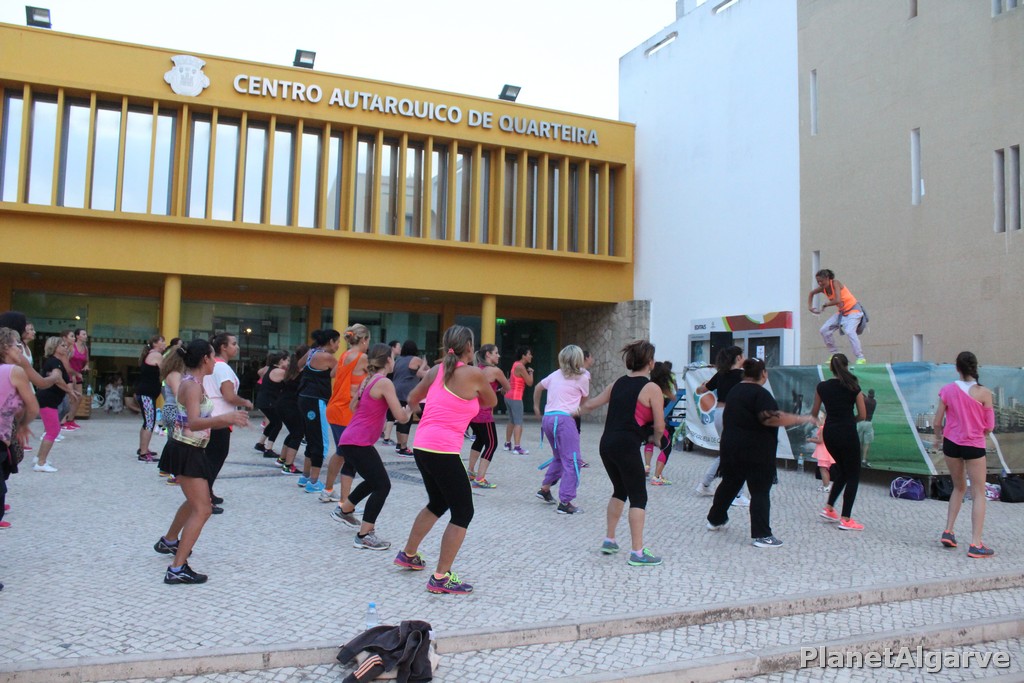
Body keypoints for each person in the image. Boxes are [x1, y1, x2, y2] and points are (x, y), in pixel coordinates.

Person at [393, 325, 497, 595]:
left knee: (438, 502)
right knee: (463, 512)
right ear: (469, 347)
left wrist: (426, 417)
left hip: (422, 445)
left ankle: (408, 554)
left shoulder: (435, 371)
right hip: (443, 450)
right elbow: (491, 401)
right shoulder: (474, 374)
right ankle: (441, 577)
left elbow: (413, 398)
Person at [154, 340, 249, 584]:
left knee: (195, 501)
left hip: (189, 448)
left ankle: (170, 541)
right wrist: (226, 418)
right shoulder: (192, 386)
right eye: (212, 357)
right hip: (187, 450)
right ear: (205, 359)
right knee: (203, 508)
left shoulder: (193, 382)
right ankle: (177, 569)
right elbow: (194, 422)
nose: (215, 362)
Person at [707, 358, 817, 548]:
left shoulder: (735, 391)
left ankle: (714, 519)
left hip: (731, 446)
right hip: (756, 450)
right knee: (759, 490)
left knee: (730, 483)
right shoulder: (761, 394)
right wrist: (801, 418)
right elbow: (770, 418)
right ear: (764, 374)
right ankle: (762, 535)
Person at [580, 340, 664, 565]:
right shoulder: (652, 388)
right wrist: (657, 440)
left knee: (620, 490)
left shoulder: (617, 383)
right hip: (626, 446)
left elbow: (591, 405)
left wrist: (570, 411)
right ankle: (637, 553)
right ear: (650, 362)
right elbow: (659, 425)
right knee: (639, 497)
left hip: (606, 444)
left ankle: (609, 540)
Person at [331, 343, 412, 550]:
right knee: (382, 485)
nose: (395, 361)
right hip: (358, 442)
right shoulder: (384, 382)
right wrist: (410, 409)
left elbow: (353, 407)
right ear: (387, 360)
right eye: (393, 357)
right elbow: (400, 416)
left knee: (373, 480)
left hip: (353, 440)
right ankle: (364, 535)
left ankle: (345, 510)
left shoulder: (369, 380)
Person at [933, 352, 996, 558]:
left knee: (958, 487)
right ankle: (976, 543)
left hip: (951, 443)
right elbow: (990, 426)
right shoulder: (984, 393)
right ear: (975, 367)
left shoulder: (947, 390)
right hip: (973, 444)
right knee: (978, 493)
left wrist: (938, 439)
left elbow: (937, 422)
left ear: (957, 368)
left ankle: (948, 531)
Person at [810, 353, 867, 531]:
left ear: (831, 368)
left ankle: (829, 508)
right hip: (847, 431)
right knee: (853, 474)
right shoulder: (853, 387)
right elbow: (863, 415)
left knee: (842, 470)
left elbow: (814, 413)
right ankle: (846, 519)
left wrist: (826, 423)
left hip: (830, 432)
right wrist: (850, 420)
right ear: (846, 366)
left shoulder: (822, 387)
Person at [534, 345, 590, 510]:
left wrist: (536, 407)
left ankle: (545, 489)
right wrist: (576, 410)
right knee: (573, 461)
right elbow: (584, 401)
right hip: (564, 419)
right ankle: (565, 502)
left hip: (548, 418)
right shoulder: (583, 378)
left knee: (559, 456)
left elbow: (538, 387)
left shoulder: (555, 374)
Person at [203, 333, 253, 512]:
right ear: (223, 347)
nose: (237, 347)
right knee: (215, 458)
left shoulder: (212, 365)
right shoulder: (222, 368)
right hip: (220, 418)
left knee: (211, 457)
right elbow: (229, 396)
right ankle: (205, 498)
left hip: (211, 416)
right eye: (233, 343)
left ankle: (208, 492)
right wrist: (245, 402)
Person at [694, 346, 750, 507]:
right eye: (743, 355)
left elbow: (701, 389)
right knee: (738, 454)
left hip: (718, 414)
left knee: (727, 452)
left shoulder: (721, 374)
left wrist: (701, 386)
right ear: (738, 358)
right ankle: (737, 494)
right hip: (733, 414)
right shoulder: (742, 375)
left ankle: (705, 484)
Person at [321, 325, 367, 500]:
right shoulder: (362, 358)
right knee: (349, 455)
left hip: (336, 408)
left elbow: (333, 373)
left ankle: (328, 490)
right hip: (345, 411)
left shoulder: (344, 355)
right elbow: (378, 375)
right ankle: (345, 503)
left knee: (341, 453)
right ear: (364, 340)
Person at [0, 327, 40, 529]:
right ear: (5, 347)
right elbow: (33, 408)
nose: (20, 349)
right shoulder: (15, 372)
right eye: (17, 345)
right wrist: (23, 425)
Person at [298, 329, 341, 495]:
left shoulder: (312, 352)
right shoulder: (326, 357)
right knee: (321, 442)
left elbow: (299, 365)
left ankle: (305, 476)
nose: (338, 346)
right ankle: (314, 482)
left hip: (304, 398)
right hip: (316, 400)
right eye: (337, 342)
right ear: (331, 341)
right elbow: (342, 371)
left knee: (311, 438)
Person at [467, 344, 511, 488]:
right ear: (488, 354)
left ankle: (470, 471)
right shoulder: (495, 371)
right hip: (484, 414)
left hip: (472, 413)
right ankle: (480, 478)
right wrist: (503, 387)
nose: (499, 356)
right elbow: (508, 387)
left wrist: (496, 389)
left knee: (479, 440)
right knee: (492, 444)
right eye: (496, 353)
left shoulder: (476, 369)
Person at [33, 336, 77, 472]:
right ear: (55, 348)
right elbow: (57, 379)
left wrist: (70, 391)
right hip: (48, 399)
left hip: (49, 399)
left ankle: (38, 458)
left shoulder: (55, 362)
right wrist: (70, 391)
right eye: (62, 345)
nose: (65, 347)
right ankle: (41, 463)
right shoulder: (54, 362)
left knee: (51, 430)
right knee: (53, 430)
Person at [807, 268, 867, 364]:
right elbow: (811, 293)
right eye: (818, 282)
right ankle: (835, 353)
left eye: (821, 281)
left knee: (849, 331)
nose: (820, 284)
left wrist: (826, 304)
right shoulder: (823, 289)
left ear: (827, 278)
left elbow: (838, 300)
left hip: (854, 311)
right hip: (842, 313)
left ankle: (860, 357)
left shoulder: (835, 283)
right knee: (824, 330)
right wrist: (810, 307)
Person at [275, 345, 308, 476]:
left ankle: (282, 459)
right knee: (298, 433)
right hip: (290, 405)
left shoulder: (292, 369)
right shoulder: (302, 371)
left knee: (293, 432)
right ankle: (288, 466)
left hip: (282, 403)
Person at [392, 340, 428, 456]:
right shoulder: (416, 359)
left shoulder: (399, 359)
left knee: (400, 418)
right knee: (407, 419)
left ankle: (399, 444)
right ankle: (403, 447)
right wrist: (424, 363)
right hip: (407, 392)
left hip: (395, 390)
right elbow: (426, 371)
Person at [158, 347, 187, 485]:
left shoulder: (171, 373)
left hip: (169, 409)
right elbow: (178, 394)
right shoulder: (175, 374)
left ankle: (166, 468)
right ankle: (175, 474)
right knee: (178, 443)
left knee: (172, 441)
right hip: (175, 410)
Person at [135, 335, 166, 462]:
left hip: (146, 393)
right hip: (146, 394)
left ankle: (142, 448)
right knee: (149, 423)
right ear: (155, 343)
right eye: (162, 341)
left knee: (147, 422)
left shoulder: (150, 354)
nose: (164, 344)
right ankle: (143, 453)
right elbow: (165, 370)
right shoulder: (156, 355)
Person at [253, 351, 288, 459]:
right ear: (281, 361)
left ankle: (260, 444)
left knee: (273, 422)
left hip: (263, 400)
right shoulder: (279, 371)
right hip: (269, 401)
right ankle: (268, 449)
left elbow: (260, 372)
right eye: (287, 360)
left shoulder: (269, 368)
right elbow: (292, 379)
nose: (288, 363)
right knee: (278, 424)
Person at [648, 361, 677, 486]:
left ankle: (653, 471)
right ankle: (656, 477)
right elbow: (673, 398)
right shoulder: (661, 389)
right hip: (656, 423)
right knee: (667, 446)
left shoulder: (648, 385)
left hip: (645, 423)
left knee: (650, 444)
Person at [503, 346, 534, 454]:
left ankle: (507, 444)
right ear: (524, 356)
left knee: (511, 420)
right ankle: (517, 447)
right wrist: (531, 373)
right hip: (516, 398)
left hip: (508, 396)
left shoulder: (515, 364)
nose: (531, 356)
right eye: (529, 354)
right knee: (518, 422)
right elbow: (529, 382)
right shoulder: (521, 367)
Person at [64, 328, 90, 430]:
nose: (85, 336)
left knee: (79, 398)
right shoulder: (71, 347)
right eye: (83, 334)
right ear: (77, 336)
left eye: (86, 334)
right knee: (70, 398)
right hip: (70, 374)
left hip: (79, 374)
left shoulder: (85, 348)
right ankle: (64, 421)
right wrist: (73, 374)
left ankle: (71, 419)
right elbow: (65, 361)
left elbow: (87, 361)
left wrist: (86, 366)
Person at [380, 340, 402, 445]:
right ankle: (386, 438)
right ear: (393, 348)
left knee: (387, 412)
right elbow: (391, 370)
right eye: (398, 346)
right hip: (387, 387)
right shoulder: (389, 359)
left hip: (389, 386)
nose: (400, 349)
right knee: (390, 413)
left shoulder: (395, 359)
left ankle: (383, 432)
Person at [807, 423, 834, 492]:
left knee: (823, 469)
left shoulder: (822, 428)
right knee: (825, 469)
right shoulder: (828, 426)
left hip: (823, 453)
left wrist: (810, 440)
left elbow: (820, 441)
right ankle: (826, 484)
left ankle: (826, 487)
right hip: (827, 452)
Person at [859, 389, 877, 466]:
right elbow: (866, 399)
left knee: (859, 441)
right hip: (868, 423)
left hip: (860, 422)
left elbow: (863, 400)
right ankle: (863, 459)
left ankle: (858, 458)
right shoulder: (874, 402)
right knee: (867, 442)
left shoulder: (865, 400)